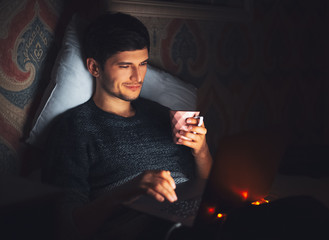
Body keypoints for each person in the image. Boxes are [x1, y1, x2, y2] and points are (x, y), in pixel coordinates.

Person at [43, 12, 212, 239]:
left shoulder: (162, 114)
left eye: (142, 63)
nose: (137, 76)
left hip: (192, 217)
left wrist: (201, 152)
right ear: (94, 68)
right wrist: (129, 190)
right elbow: (68, 226)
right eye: (125, 66)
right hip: (140, 229)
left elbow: (203, 186)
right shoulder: (73, 128)